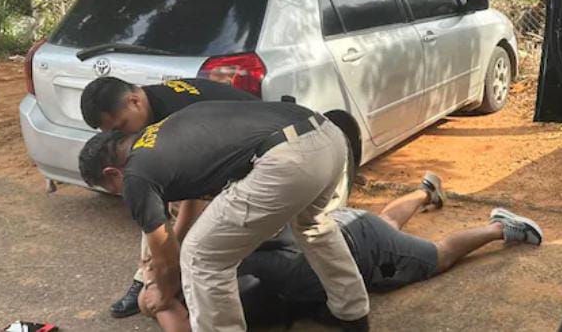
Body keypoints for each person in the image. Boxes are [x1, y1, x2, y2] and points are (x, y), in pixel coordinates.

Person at [78, 100, 370, 331]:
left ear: (111, 172)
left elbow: (166, 255)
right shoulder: (167, 131)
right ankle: (352, 315)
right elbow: (190, 207)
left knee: (200, 257)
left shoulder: (136, 174)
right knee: (314, 226)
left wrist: (162, 293)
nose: (121, 194)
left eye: (113, 189)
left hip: (285, 159)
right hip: (328, 135)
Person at [135, 173, 543, 330]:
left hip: (352, 246)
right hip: (331, 229)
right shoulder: (217, 228)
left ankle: (500, 227)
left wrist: (162, 303)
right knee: (386, 222)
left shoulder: (208, 255)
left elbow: (180, 323)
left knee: (437, 256)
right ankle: (425, 191)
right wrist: (159, 294)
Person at [80, 76, 256, 319]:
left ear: (134, 102)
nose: (121, 136)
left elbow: (197, 191)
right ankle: (147, 277)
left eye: (120, 127)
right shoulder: (147, 106)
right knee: (149, 203)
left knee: (199, 247)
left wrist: (174, 250)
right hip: (232, 154)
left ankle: (171, 285)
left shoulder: (178, 115)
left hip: (258, 153)